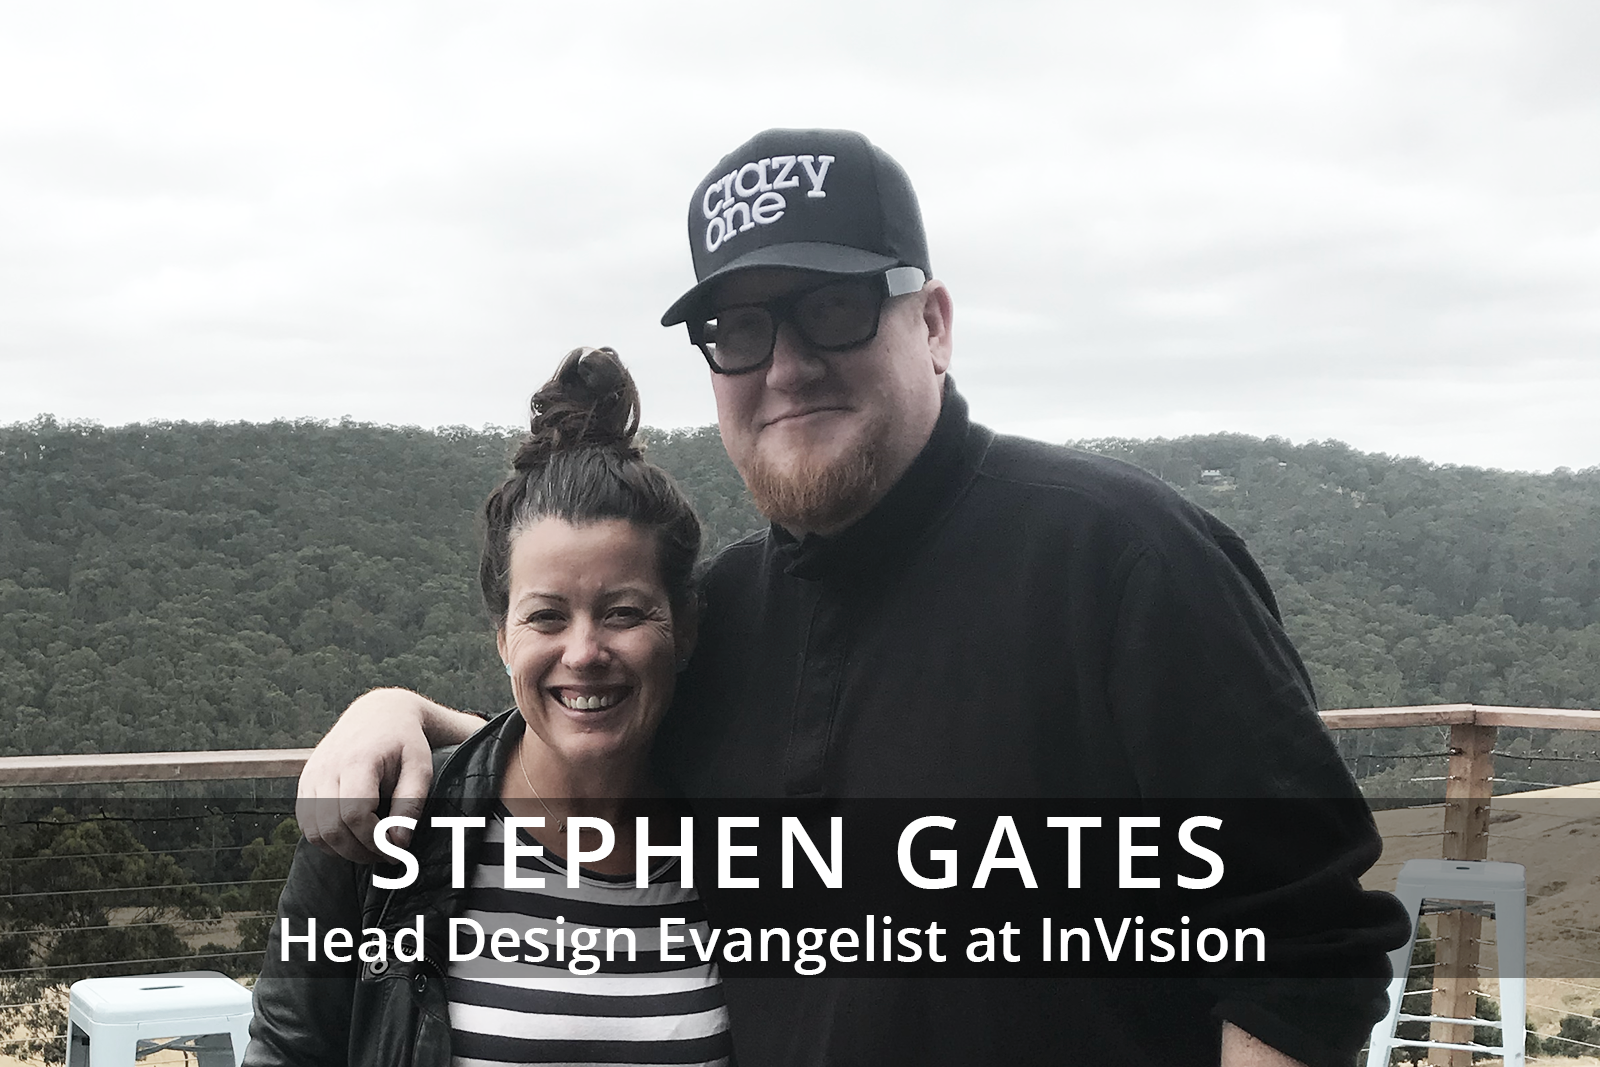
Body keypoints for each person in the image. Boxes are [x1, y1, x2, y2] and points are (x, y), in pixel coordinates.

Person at [295, 129, 1408, 1067]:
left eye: (832, 306)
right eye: (740, 329)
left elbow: (1305, 947)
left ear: (933, 322)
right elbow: (580, 730)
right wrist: (398, 712)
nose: (785, 366)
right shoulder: (727, 616)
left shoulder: (1122, 560)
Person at [247, 348, 733, 1067]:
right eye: (546, 617)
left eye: (624, 612)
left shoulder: (741, 836)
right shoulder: (388, 829)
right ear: (502, 636)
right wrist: (387, 703)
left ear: (684, 626)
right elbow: (288, 1051)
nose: (584, 651)